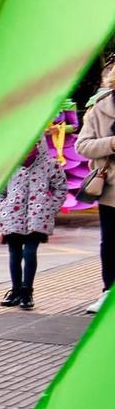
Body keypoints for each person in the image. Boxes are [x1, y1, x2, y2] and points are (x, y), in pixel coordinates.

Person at [0, 137, 68, 310]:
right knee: (14, 253)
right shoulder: (9, 166)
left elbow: (61, 188)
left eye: (32, 145)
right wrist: (1, 207)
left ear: (38, 145)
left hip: (38, 217)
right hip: (11, 216)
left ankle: (27, 291)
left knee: (29, 251)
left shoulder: (50, 165)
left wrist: (50, 207)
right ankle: (15, 290)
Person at [74, 53, 115, 310]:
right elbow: (82, 146)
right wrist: (111, 143)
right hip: (110, 187)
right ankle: (107, 291)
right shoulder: (100, 108)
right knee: (110, 242)